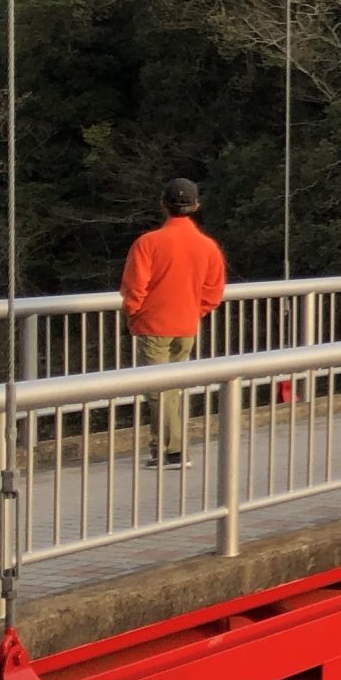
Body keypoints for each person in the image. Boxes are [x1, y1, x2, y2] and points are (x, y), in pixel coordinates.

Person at [120, 177, 228, 469]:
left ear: (163, 205)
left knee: (158, 391)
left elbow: (134, 287)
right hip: (186, 324)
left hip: (153, 325)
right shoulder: (207, 246)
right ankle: (165, 447)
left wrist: (134, 314)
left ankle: (172, 451)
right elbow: (214, 290)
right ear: (195, 206)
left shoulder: (148, 243)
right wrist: (196, 310)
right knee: (172, 389)